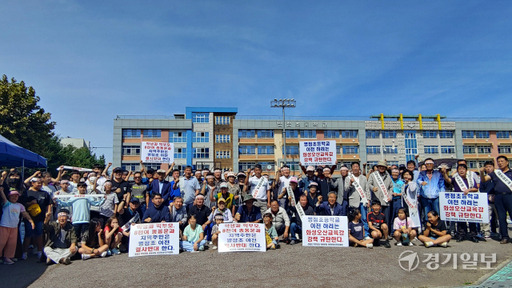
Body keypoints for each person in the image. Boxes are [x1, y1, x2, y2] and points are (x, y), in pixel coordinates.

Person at [442, 163, 480, 243]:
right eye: (459, 169)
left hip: (470, 201)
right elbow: (448, 180)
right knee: (460, 218)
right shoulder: (456, 178)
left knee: (472, 219)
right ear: (457, 171)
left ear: (466, 170)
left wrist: (469, 190)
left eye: (463, 169)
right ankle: (461, 234)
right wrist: (444, 173)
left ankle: (473, 235)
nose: (461, 170)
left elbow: (476, 188)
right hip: (459, 202)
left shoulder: (470, 178)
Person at [480, 155, 512, 244]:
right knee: (501, 218)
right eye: (499, 162)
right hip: (498, 197)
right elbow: (484, 180)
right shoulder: (495, 173)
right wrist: (482, 173)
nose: (500, 163)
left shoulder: (511, 172)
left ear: (507, 162)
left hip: (509, 196)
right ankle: (505, 236)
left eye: (502, 161)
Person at [0, 186, 35, 265]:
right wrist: (1, 191)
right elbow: (4, 198)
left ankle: (8, 257)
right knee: (1, 242)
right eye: (12, 196)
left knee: (11, 243)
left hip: (14, 227)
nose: (14, 197)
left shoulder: (20, 205)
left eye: (16, 196)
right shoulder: (7, 203)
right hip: (4, 225)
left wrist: (31, 221)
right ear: (9, 196)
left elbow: (25, 214)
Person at [21, 177, 53, 260]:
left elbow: (49, 203)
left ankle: (40, 251)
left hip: (40, 218)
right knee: (28, 234)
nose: (39, 184)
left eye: (40, 183)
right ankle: (25, 252)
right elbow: (23, 204)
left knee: (39, 234)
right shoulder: (27, 193)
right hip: (29, 217)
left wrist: (48, 213)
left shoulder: (45, 193)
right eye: (38, 183)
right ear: (32, 183)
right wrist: (30, 203)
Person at [346, 162, 371, 238]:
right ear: (352, 168)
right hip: (353, 201)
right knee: (353, 218)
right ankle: (353, 234)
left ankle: (366, 234)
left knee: (364, 218)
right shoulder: (348, 178)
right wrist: (350, 183)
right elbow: (346, 189)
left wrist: (368, 199)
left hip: (363, 200)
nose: (356, 168)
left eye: (357, 166)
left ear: (359, 168)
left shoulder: (363, 178)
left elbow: (367, 189)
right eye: (354, 166)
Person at [416, 158, 445, 224]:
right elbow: (418, 180)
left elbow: (441, 185)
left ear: (433, 165)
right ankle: (428, 228)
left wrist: (442, 195)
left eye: (430, 164)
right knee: (427, 213)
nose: (429, 165)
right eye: (427, 164)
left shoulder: (438, 173)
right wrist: (421, 182)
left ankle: (438, 227)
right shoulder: (422, 173)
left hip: (436, 197)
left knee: (436, 212)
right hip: (425, 197)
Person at [368, 160, 393, 230]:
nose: (381, 168)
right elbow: (368, 184)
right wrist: (372, 188)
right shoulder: (373, 175)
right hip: (377, 200)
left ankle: (386, 234)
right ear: (378, 167)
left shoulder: (388, 176)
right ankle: (377, 233)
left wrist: (390, 196)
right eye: (380, 166)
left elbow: (391, 187)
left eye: (383, 167)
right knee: (376, 219)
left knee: (386, 218)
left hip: (386, 200)